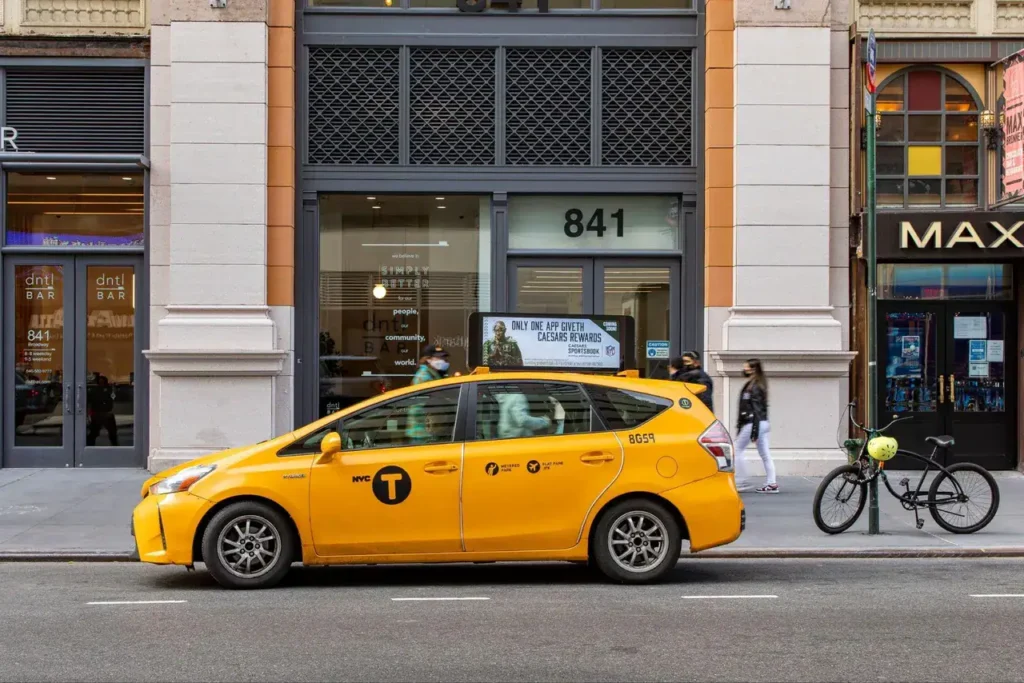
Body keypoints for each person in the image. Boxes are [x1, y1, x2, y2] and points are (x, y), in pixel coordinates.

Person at [734, 358, 777, 493]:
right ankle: (772, 483)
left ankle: (741, 481)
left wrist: (754, 431)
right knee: (765, 454)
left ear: (753, 369)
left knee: (736, 450)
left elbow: (756, 409)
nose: (744, 369)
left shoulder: (755, 386)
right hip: (760, 423)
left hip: (754, 423)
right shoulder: (755, 384)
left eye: (746, 367)